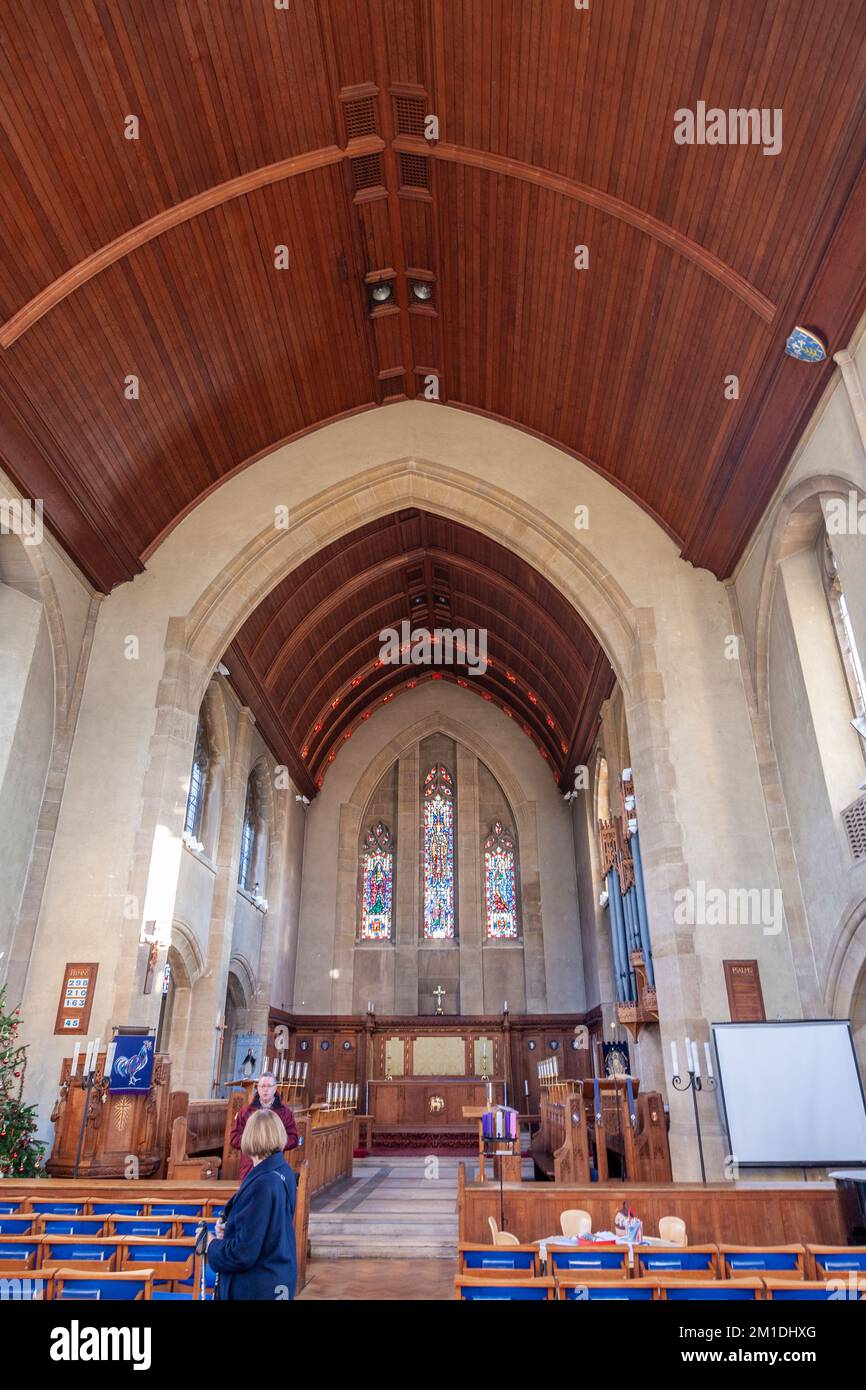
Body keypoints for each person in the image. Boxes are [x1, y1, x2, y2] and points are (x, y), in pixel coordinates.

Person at [208, 1109, 297, 1300]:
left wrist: (211, 1245)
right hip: (278, 1275)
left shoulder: (262, 1184)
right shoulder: (284, 1171)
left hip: (258, 1286)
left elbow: (242, 1253)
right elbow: (269, 1227)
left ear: (250, 1136)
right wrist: (231, 1228)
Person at [230, 1071, 299, 1181]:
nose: (265, 1089)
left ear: (275, 1088)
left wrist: (274, 1144)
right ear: (258, 1088)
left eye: (269, 1086)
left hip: (274, 1167)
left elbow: (294, 1139)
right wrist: (254, 1142)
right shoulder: (245, 1112)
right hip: (250, 1168)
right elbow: (234, 1138)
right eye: (262, 1086)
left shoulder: (285, 1113)